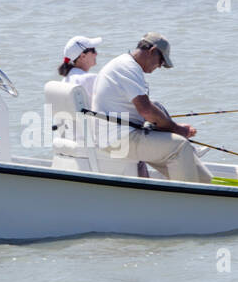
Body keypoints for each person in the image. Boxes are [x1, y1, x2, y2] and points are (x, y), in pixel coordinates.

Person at [89, 33, 213, 184]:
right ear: (152, 50)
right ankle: (189, 202)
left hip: (125, 135)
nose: (160, 66)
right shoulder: (127, 67)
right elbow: (146, 111)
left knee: (204, 179)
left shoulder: (128, 65)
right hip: (117, 140)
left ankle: (204, 187)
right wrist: (177, 129)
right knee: (180, 146)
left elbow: (148, 110)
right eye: (161, 60)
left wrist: (174, 128)